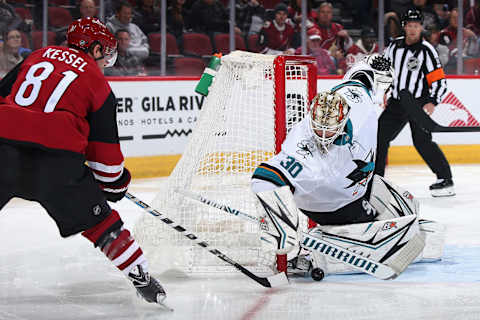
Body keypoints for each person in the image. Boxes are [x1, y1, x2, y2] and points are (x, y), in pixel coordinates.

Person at [0, 18, 167, 306]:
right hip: (56, 163)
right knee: (101, 223)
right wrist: (114, 186)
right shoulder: (97, 82)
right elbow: (106, 157)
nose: (106, 62)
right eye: (107, 54)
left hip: (2, 144)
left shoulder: (38, 55)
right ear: (96, 48)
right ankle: (142, 278)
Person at [250, 55, 439, 277]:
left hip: (362, 188)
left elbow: (361, 75)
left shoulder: (358, 102)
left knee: (409, 208)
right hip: (333, 205)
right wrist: (276, 221)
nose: (322, 135)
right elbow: (263, 176)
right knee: (400, 233)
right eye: (317, 127)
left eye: (328, 129)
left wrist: (374, 62)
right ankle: (312, 253)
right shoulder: (303, 147)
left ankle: (334, 243)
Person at [375, 9, 454, 197]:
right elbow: (384, 71)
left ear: (421, 27)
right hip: (397, 102)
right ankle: (376, 179)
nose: (412, 29)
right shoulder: (394, 47)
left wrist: (433, 102)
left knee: (422, 141)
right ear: (404, 27)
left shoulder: (427, 51)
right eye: (409, 25)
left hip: (417, 103)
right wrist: (383, 92)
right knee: (379, 136)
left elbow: (439, 80)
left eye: (416, 26)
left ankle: (445, 179)